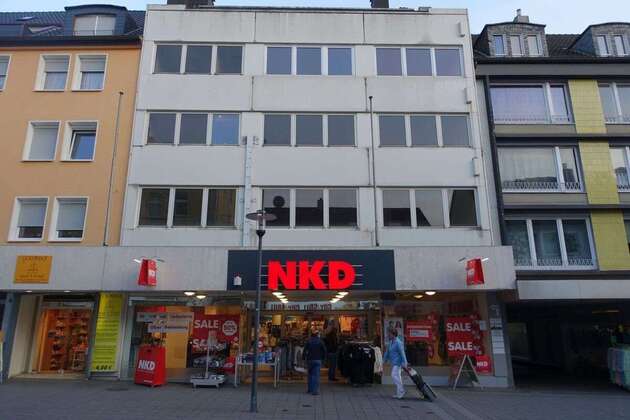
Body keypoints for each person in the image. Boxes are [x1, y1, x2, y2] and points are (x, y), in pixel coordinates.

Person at [383, 328, 408, 399]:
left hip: (398, 362)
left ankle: (402, 390)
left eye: (389, 334)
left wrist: (405, 362)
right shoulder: (391, 342)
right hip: (393, 362)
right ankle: (399, 393)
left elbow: (402, 353)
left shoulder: (398, 342)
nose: (388, 335)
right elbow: (387, 352)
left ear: (393, 334)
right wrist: (384, 360)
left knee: (393, 375)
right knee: (398, 377)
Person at [303, 329, 327, 395]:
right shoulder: (321, 341)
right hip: (318, 360)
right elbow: (324, 350)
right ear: (317, 335)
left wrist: (303, 359)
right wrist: (324, 359)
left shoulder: (308, 341)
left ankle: (310, 389)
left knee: (310, 375)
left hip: (310, 359)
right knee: (316, 375)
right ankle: (315, 391)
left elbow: (305, 350)